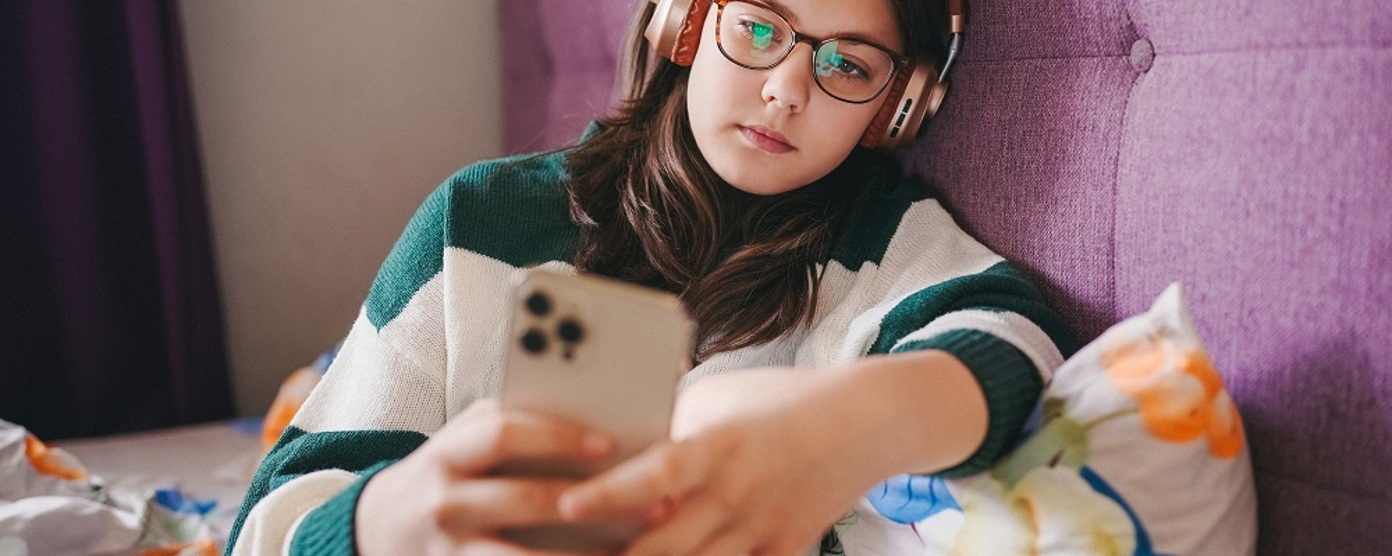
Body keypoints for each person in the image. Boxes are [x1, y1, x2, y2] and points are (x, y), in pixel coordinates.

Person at [226, 0, 1075, 554]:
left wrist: (841, 428)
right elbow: (269, 525)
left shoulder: (885, 246)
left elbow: (1010, 336)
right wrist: (386, 521)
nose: (785, 89)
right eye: (758, 27)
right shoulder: (482, 220)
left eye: (848, 65)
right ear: (687, 24)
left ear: (900, 107)